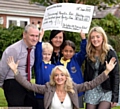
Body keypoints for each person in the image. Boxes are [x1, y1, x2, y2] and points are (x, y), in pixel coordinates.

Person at [7, 56, 117, 109]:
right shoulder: (47, 88)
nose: (59, 77)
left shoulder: (74, 87)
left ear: (66, 77)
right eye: (56, 75)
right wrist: (16, 71)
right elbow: (29, 85)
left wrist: (106, 71)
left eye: (62, 75)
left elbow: (92, 84)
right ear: (53, 77)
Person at [0, 24, 39, 108]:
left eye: (37, 36)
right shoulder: (13, 49)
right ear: (24, 35)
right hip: (13, 81)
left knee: (33, 105)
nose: (35, 38)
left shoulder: (34, 49)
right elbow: (2, 69)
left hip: (26, 83)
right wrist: (3, 85)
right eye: (32, 35)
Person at [84, 26, 119, 109]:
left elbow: (116, 75)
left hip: (106, 89)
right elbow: (86, 73)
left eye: (98, 37)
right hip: (92, 87)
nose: (95, 39)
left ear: (103, 37)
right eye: (92, 37)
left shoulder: (110, 53)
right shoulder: (89, 53)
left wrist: (115, 97)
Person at [56, 31, 86, 108]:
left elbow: (83, 51)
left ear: (74, 52)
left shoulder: (76, 59)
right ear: (62, 51)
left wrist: (83, 39)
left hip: (77, 92)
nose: (68, 53)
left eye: (70, 51)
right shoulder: (58, 63)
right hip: (64, 92)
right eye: (66, 51)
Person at [34, 29, 55, 109]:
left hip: (50, 95)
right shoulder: (39, 64)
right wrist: (40, 38)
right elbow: (38, 52)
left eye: (49, 54)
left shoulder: (54, 67)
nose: (46, 56)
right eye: (44, 54)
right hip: (40, 95)